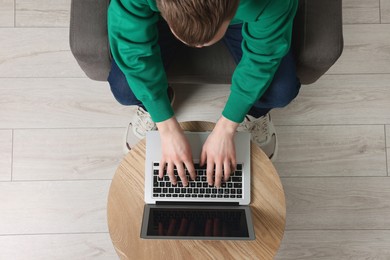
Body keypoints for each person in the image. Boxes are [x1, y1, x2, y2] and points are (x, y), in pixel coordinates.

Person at [107, 0, 301, 188]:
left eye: (206, 41)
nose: (198, 47)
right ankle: (154, 103)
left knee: (281, 89)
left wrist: (227, 127)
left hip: (242, 18)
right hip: (159, 17)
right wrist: (165, 125)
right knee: (124, 88)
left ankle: (255, 113)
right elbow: (130, 48)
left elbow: (264, 56)